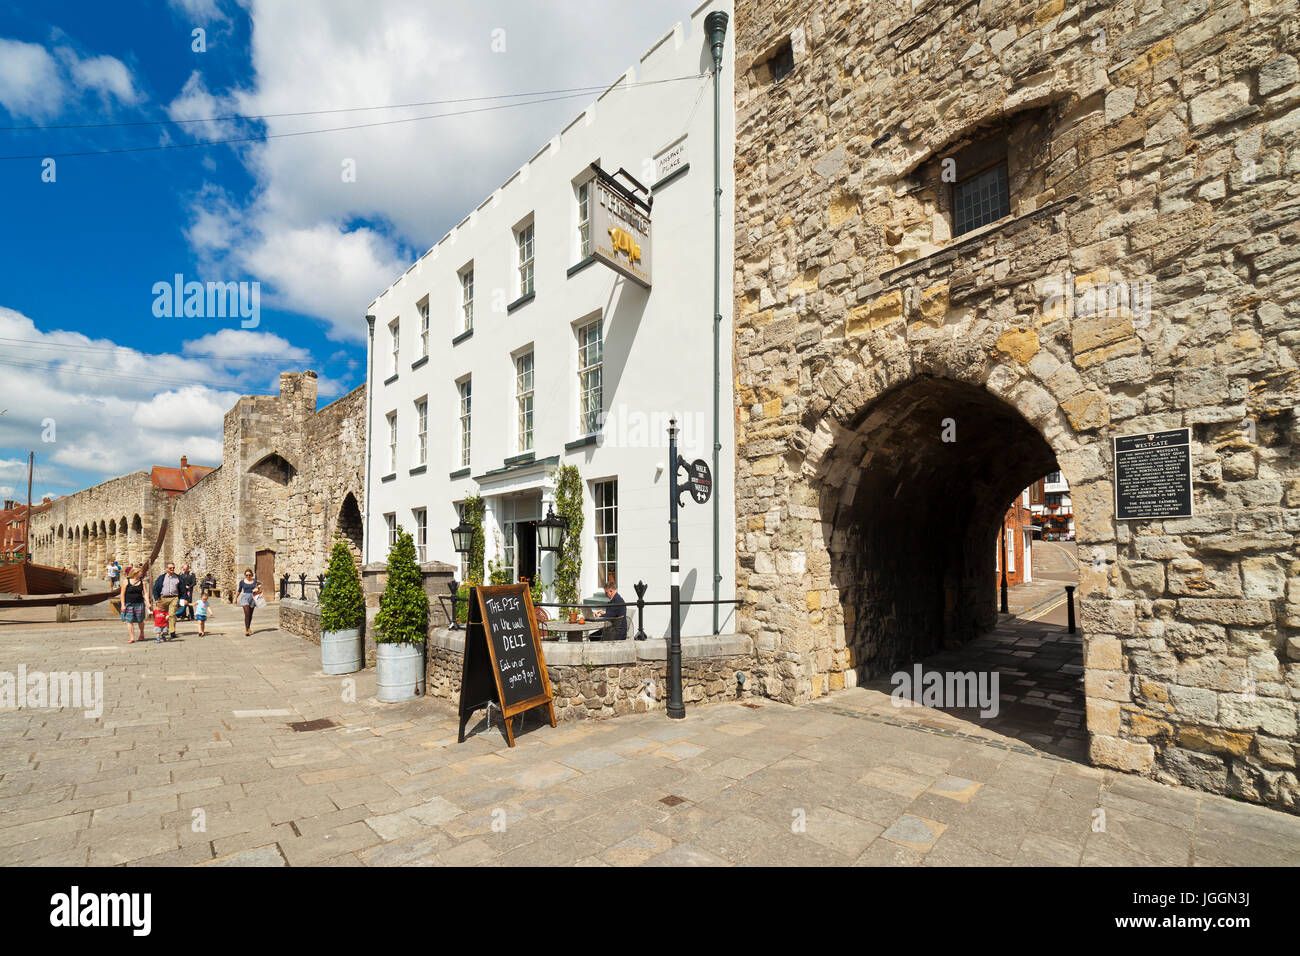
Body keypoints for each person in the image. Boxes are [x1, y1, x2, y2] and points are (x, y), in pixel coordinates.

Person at [118, 566, 151, 644]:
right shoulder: (126, 581)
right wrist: (123, 605)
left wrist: (147, 602)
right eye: (140, 572)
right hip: (128, 603)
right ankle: (132, 637)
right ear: (135, 573)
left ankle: (142, 633)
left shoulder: (142, 582)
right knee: (129, 620)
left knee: (140, 620)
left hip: (139, 603)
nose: (142, 573)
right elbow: (122, 594)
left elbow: (145, 593)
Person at [152, 561, 183, 640]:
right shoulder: (161, 578)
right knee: (164, 616)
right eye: (170, 568)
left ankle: (172, 632)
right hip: (163, 598)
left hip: (174, 597)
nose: (172, 569)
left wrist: (183, 599)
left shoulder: (178, 578)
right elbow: (155, 589)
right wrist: (156, 599)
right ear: (166, 569)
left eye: (173, 568)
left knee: (172, 614)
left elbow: (182, 590)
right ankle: (164, 630)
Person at [236, 568, 262, 636]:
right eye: (246, 575)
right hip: (245, 597)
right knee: (247, 613)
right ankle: (247, 630)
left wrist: (257, 589)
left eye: (249, 575)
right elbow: (239, 590)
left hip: (253, 597)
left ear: (252, 575)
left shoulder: (255, 581)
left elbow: (258, 589)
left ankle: (248, 627)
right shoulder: (242, 582)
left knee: (250, 614)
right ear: (245, 575)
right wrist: (235, 598)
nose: (248, 576)